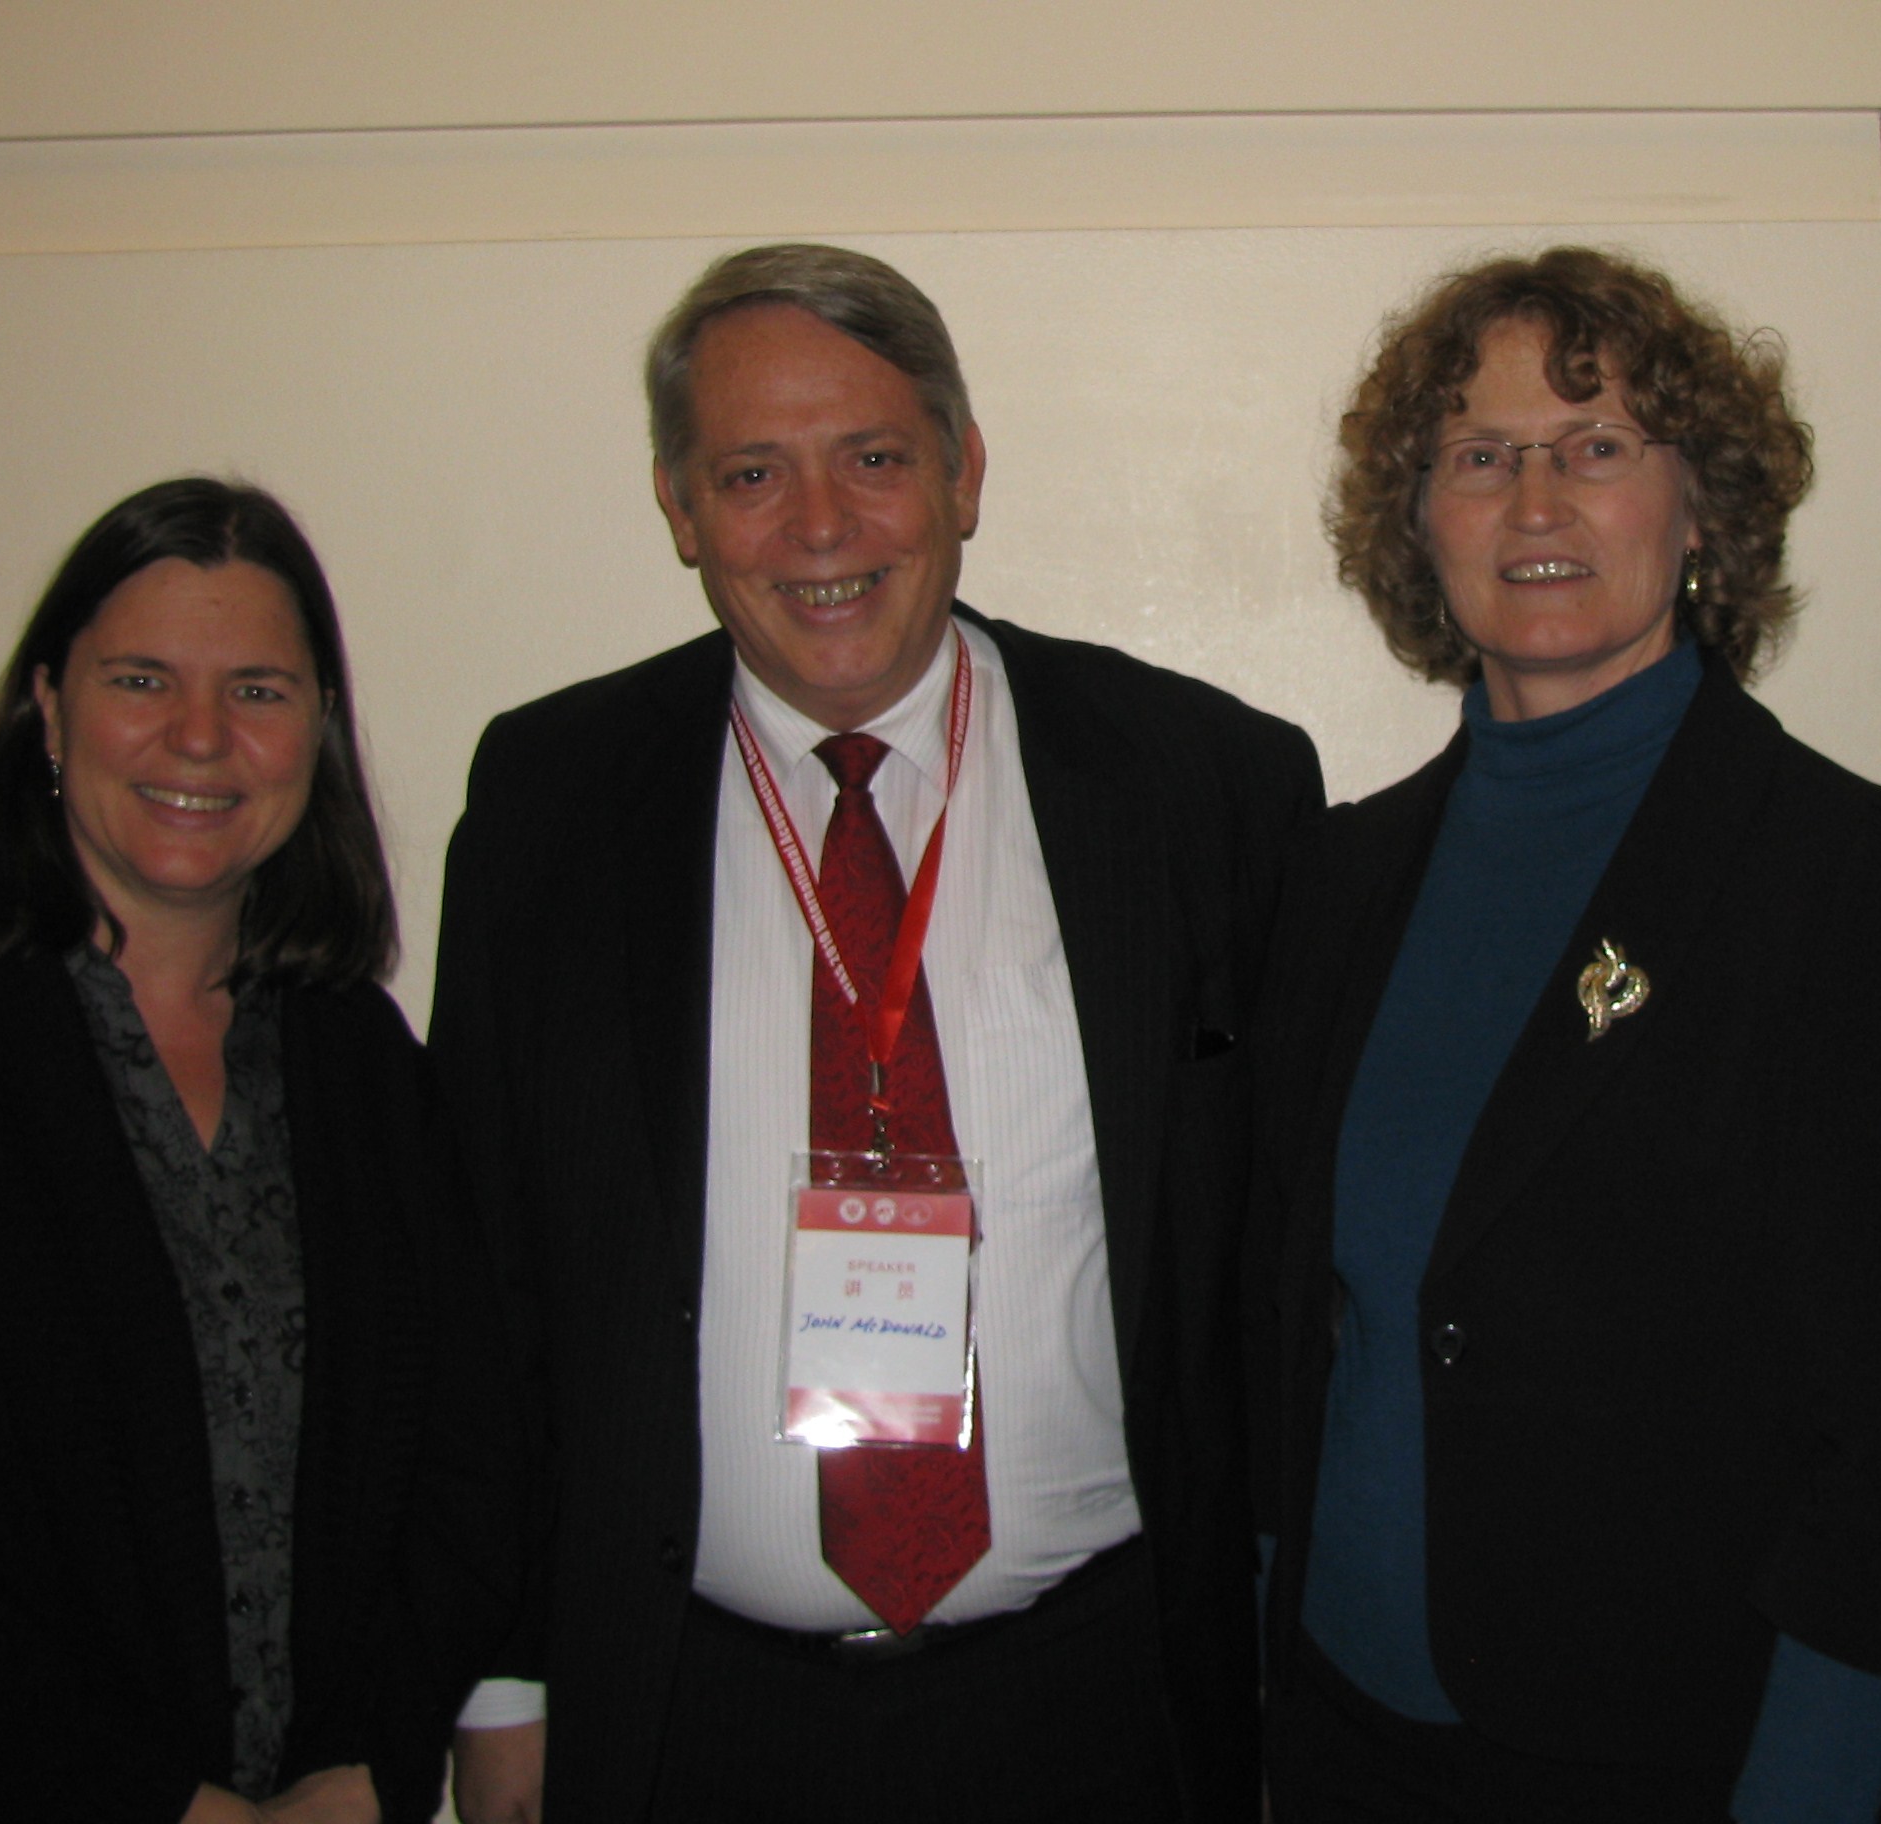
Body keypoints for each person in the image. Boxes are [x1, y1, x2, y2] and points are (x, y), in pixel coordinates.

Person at [433, 242, 1322, 1822]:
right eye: (753, 472)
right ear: (679, 507)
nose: (822, 527)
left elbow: (1282, 1270)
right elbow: (481, 1272)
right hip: (690, 1721)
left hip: (1106, 1707)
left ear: (964, 473)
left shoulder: (1203, 784)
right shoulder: (552, 802)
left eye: (875, 459)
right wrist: (503, 1681)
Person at [1250, 246, 1881, 1820]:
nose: (1536, 502)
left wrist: (1808, 1790)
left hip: (1684, 1756)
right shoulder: (1338, 877)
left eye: (1596, 446)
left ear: (1702, 504)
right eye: (1479, 457)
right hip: (1338, 1735)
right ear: (1418, 523)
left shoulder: (1844, 874)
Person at [0, 479, 499, 1822]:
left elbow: (465, 1454)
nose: (199, 737)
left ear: (319, 734)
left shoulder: (360, 1062)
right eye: (141, 680)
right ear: (49, 710)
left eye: (261, 692)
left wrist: (369, 1757)